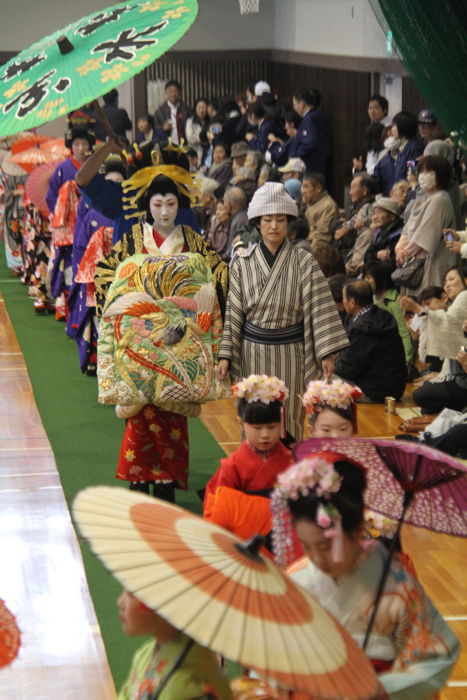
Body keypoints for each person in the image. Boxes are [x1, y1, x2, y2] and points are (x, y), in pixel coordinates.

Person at [272, 454, 460, 698]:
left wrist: (381, 688)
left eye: (326, 547)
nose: (317, 560)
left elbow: (434, 657)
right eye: (308, 547)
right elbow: (271, 652)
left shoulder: (397, 586)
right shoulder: (297, 580)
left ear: (358, 530)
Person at [95, 167, 228, 501]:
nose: (165, 212)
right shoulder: (131, 241)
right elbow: (106, 278)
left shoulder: (194, 241)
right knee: (140, 414)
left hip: (181, 340)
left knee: (172, 414)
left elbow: (217, 279)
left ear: (179, 205)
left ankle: (168, 480)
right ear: (147, 206)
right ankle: (139, 479)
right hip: (138, 338)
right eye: (157, 204)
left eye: (171, 204)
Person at [217, 182, 349, 441]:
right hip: (252, 351)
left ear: (288, 222)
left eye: (280, 219)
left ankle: (289, 475)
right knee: (255, 416)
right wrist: (225, 356)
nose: (274, 226)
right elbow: (233, 313)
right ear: (258, 222)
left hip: (291, 352)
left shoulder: (304, 261)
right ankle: (256, 475)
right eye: (268, 220)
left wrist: (326, 353)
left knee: (288, 418)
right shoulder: (242, 263)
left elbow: (320, 307)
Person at [117, 590, 232, 699]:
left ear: (162, 601)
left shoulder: (192, 682)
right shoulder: (145, 653)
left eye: (131, 594)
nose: (120, 602)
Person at [204, 375, 291, 505]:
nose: (265, 434)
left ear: (281, 423)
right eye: (257, 428)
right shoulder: (233, 466)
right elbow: (217, 505)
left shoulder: (291, 461)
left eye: (272, 427)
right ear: (241, 423)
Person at [46, 112, 96, 320]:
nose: (81, 148)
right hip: (68, 225)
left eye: (84, 143)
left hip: (88, 222)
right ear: (71, 146)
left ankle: (86, 307)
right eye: (76, 144)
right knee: (68, 266)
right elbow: (51, 196)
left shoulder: (94, 165)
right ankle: (67, 308)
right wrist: (61, 216)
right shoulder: (62, 168)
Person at [401, 266, 467, 413]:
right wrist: (415, 334)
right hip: (455, 372)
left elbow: (448, 324)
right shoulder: (455, 305)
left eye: (451, 279)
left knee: (421, 397)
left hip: (461, 376)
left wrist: (418, 310)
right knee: (425, 405)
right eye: (445, 281)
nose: (447, 285)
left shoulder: (464, 296)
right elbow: (426, 358)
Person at [335, 279, 407, 402]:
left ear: (352, 302)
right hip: (394, 387)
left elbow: (348, 369)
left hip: (374, 391)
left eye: (343, 297)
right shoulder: (383, 315)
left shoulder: (363, 327)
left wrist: (332, 361)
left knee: (322, 376)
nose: (343, 301)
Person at [394, 155, 456, 294]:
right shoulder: (425, 197)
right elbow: (407, 228)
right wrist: (400, 249)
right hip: (414, 262)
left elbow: (426, 235)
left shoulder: (441, 198)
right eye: (421, 171)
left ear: (439, 174)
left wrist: (406, 251)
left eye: (428, 172)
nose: (422, 176)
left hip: (433, 264)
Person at [364, 261, 415, 369]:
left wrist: (406, 362)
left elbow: (404, 333)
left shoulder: (394, 303)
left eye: (369, 278)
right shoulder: (373, 298)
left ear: (381, 279)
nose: (365, 281)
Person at [372, 111, 423, 196]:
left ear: (402, 127)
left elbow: (412, 175)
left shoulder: (413, 148)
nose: (392, 129)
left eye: (394, 125)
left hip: (407, 195)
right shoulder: (402, 150)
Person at [292, 88, 329, 175]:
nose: (295, 108)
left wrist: (295, 153)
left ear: (302, 104)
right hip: (319, 163)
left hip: (311, 165)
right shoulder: (317, 115)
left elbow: (310, 142)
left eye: (295, 105)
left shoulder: (309, 119)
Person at [363, 198, 403, 268]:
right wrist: (377, 255)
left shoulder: (400, 233)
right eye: (374, 213)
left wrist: (373, 255)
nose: (374, 217)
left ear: (392, 215)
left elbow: (393, 262)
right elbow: (366, 256)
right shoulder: (378, 233)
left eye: (380, 212)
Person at [301, 173, 339, 245]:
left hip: (317, 249)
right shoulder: (309, 203)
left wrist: (307, 255)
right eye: (303, 187)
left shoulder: (328, 206)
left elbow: (322, 237)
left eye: (306, 187)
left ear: (318, 189)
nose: (303, 191)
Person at [153, 80, 191, 145]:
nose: (173, 94)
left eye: (175, 91)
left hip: (184, 145)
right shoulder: (159, 111)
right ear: (166, 93)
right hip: (167, 145)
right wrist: (163, 128)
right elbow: (154, 129)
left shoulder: (186, 109)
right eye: (170, 91)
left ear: (179, 93)